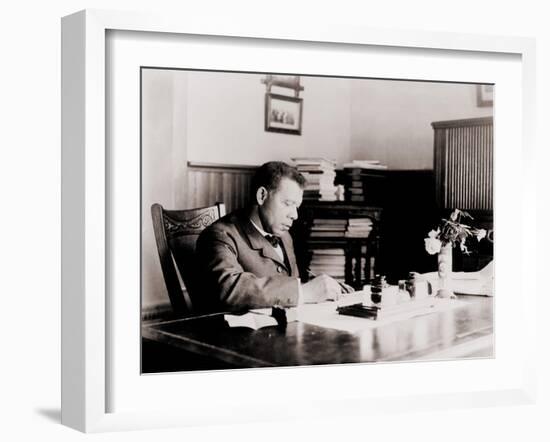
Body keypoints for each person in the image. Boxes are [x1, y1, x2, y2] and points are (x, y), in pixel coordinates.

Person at [194, 161, 352, 312]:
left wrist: (325, 288)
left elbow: (289, 283)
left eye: (296, 207)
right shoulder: (220, 235)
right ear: (262, 196)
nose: (295, 215)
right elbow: (228, 289)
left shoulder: (284, 236)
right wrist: (304, 292)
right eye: (288, 203)